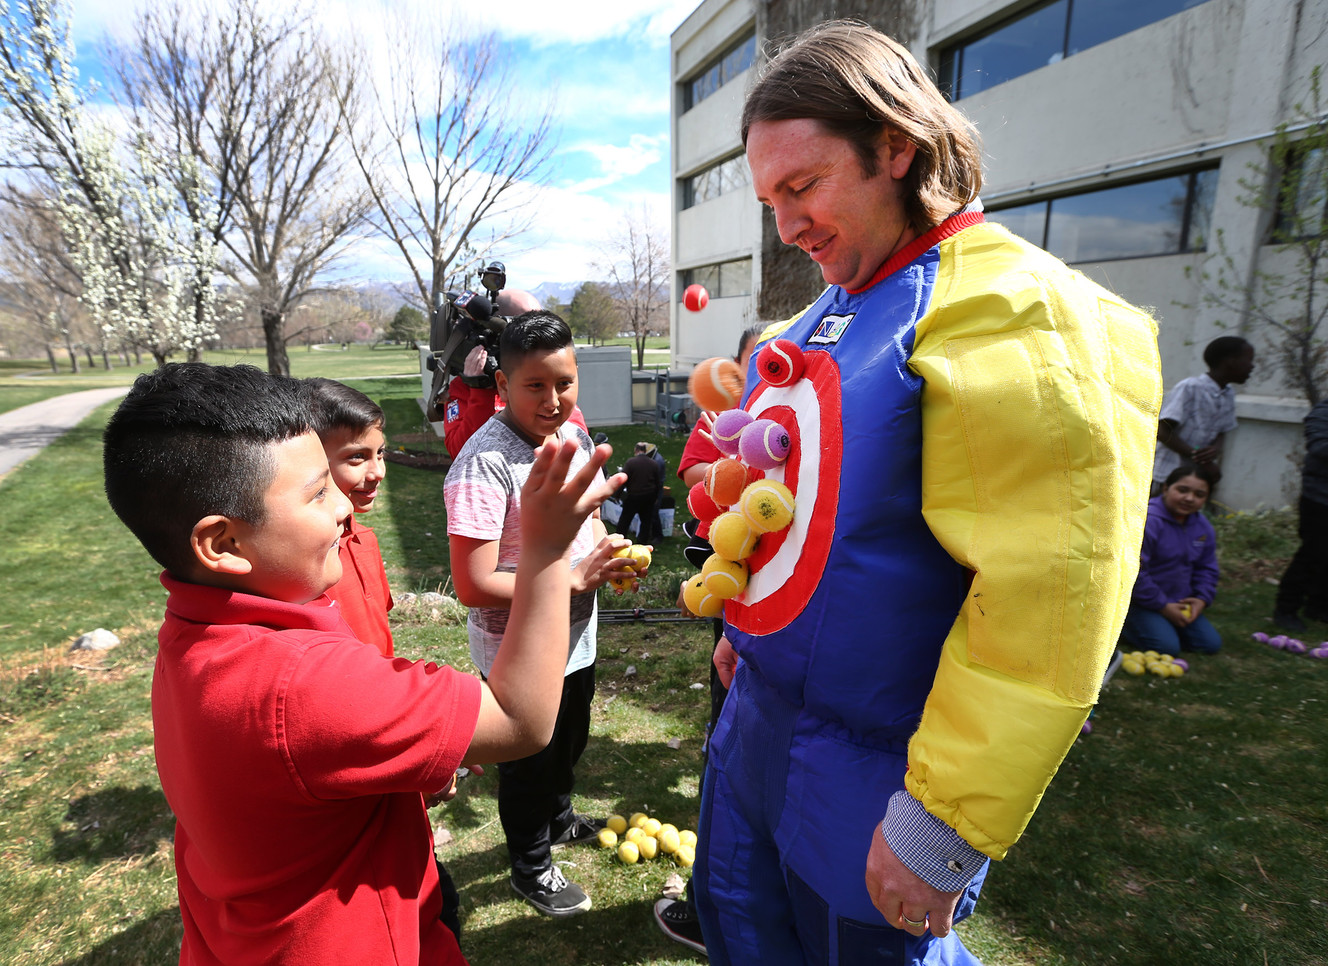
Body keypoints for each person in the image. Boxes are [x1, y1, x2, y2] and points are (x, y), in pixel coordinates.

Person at [691, 22, 1163, 966]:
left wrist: (944, 825)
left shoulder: (1026, 312)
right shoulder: (830, 306)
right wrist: (749, 632)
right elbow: (791, 503)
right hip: (755, 737)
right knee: (741, 933)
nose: (785, 226)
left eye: (803, 186)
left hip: (881, 777)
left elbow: (1049, 603)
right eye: (768, 197)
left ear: (896, 148)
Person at [101, 362, 622, 964]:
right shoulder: (302, 685)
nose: (345, 512)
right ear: (222, 545)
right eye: (318, 493)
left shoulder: (194, 635)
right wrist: (547, 553)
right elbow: (518, 719)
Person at [444, 311, 637, 918]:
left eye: (565, 382)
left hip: (578, 634)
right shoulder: (484, 462)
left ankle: (557, 819)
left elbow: (591, 517)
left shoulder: (574, 438)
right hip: (517, 649)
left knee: (569, 738)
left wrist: (608, 558)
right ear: (501, 386)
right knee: (529, 758)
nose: (554, 401)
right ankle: (531, 865)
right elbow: (473, 583)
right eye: (535, 386)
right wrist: (570, 579)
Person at [655, 321, 765, 955]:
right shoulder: (724, 417)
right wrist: (735, 471)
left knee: (743, 743)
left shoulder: (807, 417)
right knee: (733, 716)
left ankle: (718, 905)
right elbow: (694, 475)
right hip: (736, 586)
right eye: (751, 365)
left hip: (777, 600)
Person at [439, 289, 589, 458]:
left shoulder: (551, 382)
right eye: (536, 385)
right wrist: (480, 393)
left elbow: (579, 443)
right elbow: (460, 453)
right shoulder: (464, 388)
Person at [305, 378, 395, 658]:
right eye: (357, 457)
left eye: (379, 453)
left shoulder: (365, 540)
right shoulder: (299, 561)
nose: (377, 472)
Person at [1121, 464, 1223, 656]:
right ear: (1166, 488)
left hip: (1180, 600)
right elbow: (1135, 571)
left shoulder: (1202, 527)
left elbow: (1207, 568)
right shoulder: (1148, 521)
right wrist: (1163, 606)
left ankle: (1164, 626)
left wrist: (1201, 599)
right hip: (1141, 601)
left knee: (1210, 645)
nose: (1189, 498)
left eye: (1199, 494)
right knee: (1167, 648)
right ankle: (1123, 624)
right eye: (1182, 490)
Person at [1153, 335, 1256, 493]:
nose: (1252, 366)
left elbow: (1221, 431)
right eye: (1248, 360)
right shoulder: (1190, 388)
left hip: (1195, 478)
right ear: (1229, 361)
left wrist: (1214, 450)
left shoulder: (1227, 394)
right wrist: (1198, 457)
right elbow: (1162, 430)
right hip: (1167, 476)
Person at [1273, 398, 1328, 631]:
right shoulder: (1323, 412)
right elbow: (1319, 447)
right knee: (1313, 553)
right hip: (1319, 499)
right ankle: (1286, 608)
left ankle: (1318, 606)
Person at [618, 441, 664, 541]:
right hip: (649, 497)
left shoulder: (631, 462)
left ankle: (620, 539)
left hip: (634, 496)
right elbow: (658, 483)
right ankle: (642, 541)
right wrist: (655, 498)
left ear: (636, 450)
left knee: (625, 520)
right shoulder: (653, 463)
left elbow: (623, 480)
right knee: (646, 521)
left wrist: (618, 494)